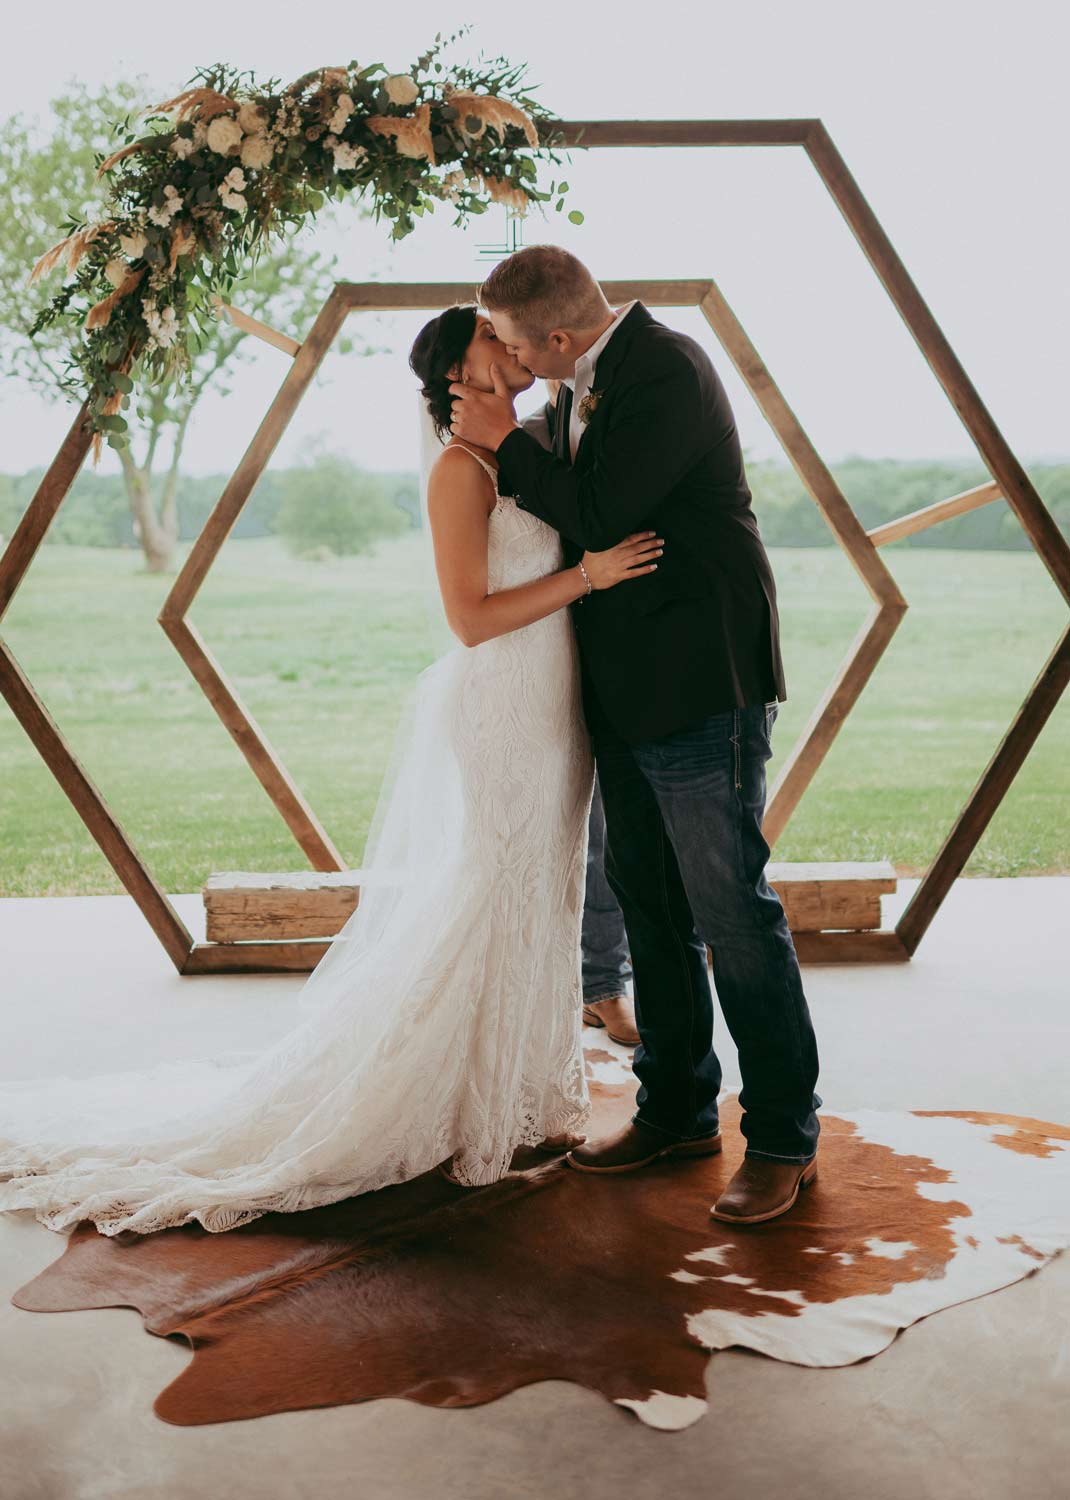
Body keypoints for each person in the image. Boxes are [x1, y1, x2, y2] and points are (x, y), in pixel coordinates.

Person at [0, 302, 661, 1237]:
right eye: (492, 342)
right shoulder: (457, 470)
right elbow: (469, 618)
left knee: (541, 897)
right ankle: (438, 1102)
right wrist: (587, 576)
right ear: (457, 374)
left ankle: (519, 1096)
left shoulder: (528, 449)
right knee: (494, 889)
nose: (512, 352)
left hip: (558, 708)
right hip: (504, 705)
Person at [449, 244, 823, 1225]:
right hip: (622, 689)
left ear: (559, 337)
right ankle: (676, 1112)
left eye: (511, 343)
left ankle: (782, 1137)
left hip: (702, 683)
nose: (506, 360)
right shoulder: (580, 385)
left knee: (730, 913)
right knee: (651, 905)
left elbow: (604, 510)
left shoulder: (665, 368)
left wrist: (503, 440)